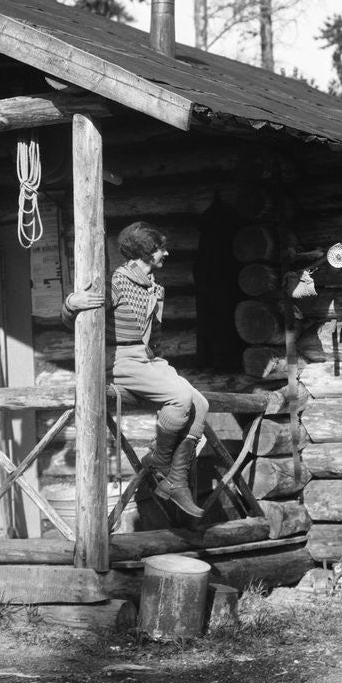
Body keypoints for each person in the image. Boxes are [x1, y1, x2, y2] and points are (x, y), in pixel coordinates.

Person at [62, 221, 208, 517]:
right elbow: (74, 321)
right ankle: (160, 463)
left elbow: (153, 336)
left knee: (201, 403)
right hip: (124, 360)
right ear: (146, 252)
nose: (166, 253)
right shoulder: (116, 284)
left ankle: (174, 481)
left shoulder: (153, 286)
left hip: (150, 360)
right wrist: (71, 303)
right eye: (160, 248)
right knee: (180, 397)